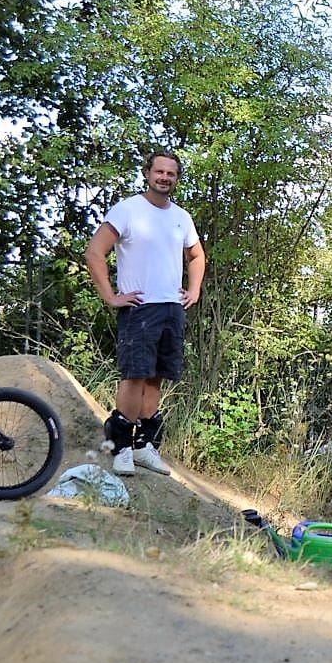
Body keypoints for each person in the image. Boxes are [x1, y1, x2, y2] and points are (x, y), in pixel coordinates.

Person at [84, 150, 205, 477]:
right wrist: (111, 296)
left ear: (176, 179)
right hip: (139, 307)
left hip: (171, 307)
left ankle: (144, 447)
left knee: (156, 377)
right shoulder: (128, 210)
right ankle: (121, 447)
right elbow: (95, 252)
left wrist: (193, 290)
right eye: (159, 172)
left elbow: (196, 256)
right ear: (147, 173)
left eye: (171, 173)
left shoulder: (181, 216)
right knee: (134, 375)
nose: (164, 178)